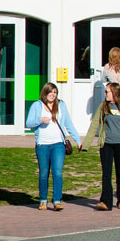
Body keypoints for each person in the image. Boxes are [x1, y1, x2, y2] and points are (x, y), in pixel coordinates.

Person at [82, 82, 120, 211]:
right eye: (105, 92)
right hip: (106, 144)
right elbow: (94, 124)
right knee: (106, 173)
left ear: (114, 92)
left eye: (107, 91)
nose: (105, 94)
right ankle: (106, 201)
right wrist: (86, 144)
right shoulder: (103, 106)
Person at [25, 82, 80, 212]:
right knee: (44, 174)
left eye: (55, 92)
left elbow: (68, 123)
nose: (53, 95)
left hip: (58, 144)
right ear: (45, 93)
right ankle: (43, 200)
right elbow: (28, 123)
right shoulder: (37, 105)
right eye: (50, 92)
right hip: (43, 144)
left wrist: (77, 139)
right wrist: (40, 120)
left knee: (57, 173)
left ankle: (57, 201)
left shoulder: (61, 105)